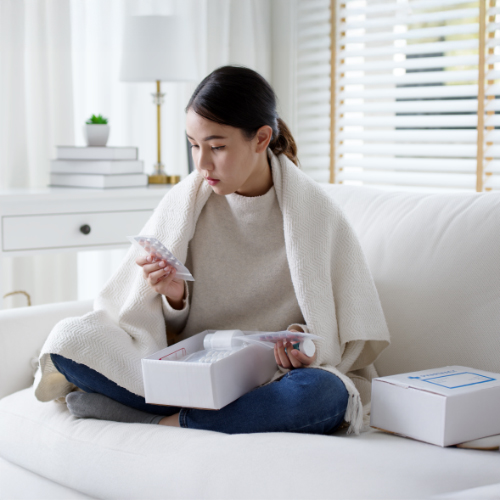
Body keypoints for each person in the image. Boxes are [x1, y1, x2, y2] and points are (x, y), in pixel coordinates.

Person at [46, 65, 390, 435]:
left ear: (261, 139)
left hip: (266, 378)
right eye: (194, 145)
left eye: (217, 147)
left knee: (324, 394)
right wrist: (176, 298)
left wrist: (305, 348)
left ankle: (161, 420)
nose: (202, 163)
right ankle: (207, 419)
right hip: (192, 366)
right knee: (68, 341)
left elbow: (334, 331)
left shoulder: (316, 212)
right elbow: (151, 320)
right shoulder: (186, 200)